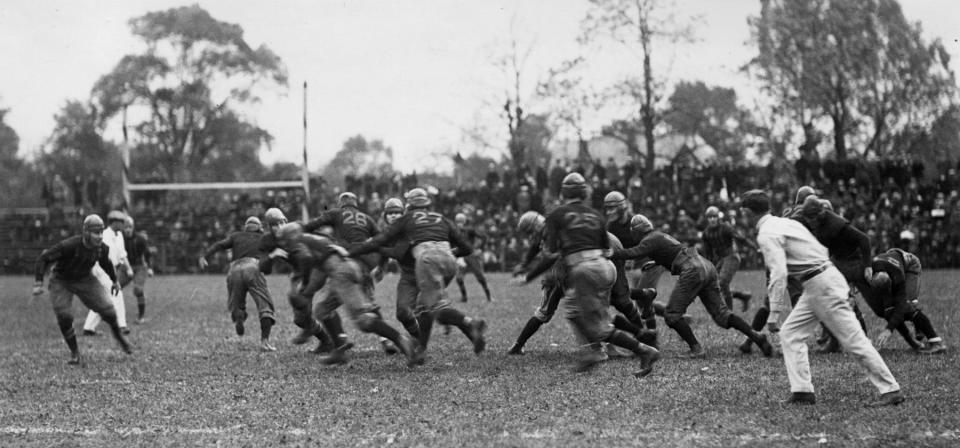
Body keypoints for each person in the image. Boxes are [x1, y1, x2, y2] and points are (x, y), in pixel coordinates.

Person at [739, 189, 904, 407]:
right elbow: (819, 249)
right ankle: (802, 392)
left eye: (743, 213)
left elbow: (778, 273)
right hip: (819, 280)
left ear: (748, 213)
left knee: (853, 340)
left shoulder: (767, 233)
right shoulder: (785, 223)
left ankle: (891, 389)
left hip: (822, 284)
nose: (742, 216)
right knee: (790, 334)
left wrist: (774, 312)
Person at [349, 188, 486, 363]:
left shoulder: (407, 223)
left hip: (425, 268)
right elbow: (466, 247)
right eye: (390, 213)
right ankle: (420, 345)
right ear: (384, 215)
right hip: (411, 274)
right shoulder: (433, 219)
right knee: (406, 312)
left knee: (434, 308)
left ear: (406, 208)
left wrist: (357, 250)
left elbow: (396, 251)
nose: (394, 215)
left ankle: (461, 329)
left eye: (397, 212)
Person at [543, 173, 660, 376]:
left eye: (615, 206)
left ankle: (642, 346)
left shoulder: (560, 215)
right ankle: (635, 339)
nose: (611, 210)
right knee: (583, 312)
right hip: (607, 267)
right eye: (609, 207)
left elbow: (553, 249)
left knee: (609, 313)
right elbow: (606, 248)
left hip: (596, 269)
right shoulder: (597, 216)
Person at [610, 214, 773, 358]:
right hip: (706, 266)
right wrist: (655, 262)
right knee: (722, 315)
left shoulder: (648, 240)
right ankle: (756, 336)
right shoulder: (659, 236)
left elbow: (633, 253)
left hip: (692, 269)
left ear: (636, 231)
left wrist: (611, 253)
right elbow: (672, 252)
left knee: (672, 315)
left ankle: (696, 348)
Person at [273, 223, 419, 367]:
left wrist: (305, 284)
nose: (284, 245)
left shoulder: (298, 241)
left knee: (362, 319)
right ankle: (339, 350)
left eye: (284, 241)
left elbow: (306, 259)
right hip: (347, 269)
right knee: (322, 310)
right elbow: (325, 259)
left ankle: (400, 339)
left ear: (290, 236)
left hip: (342, 274)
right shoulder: (314, 238)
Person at [304, 192, 397, 355]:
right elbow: (382, 241)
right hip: (365, 264)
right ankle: (387, 340)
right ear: (356, 204)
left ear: (341, 204)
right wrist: (382, 266)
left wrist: (299, 231)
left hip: (346, 263)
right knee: (369, 302)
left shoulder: (336, 213)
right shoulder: (367, 218)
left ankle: (340, 340)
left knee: (324, 306)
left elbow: (312, 224)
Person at [33, 215, 132, 365]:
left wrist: (115, 280)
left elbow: (106, 262)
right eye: (95, 232)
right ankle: (75, 353)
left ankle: (120, 337)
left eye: (100, 232)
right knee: (64, 316)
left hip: (85, 279)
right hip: (61, 280)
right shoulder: (69, 245)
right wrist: (38, 282)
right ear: (86, 232)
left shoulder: (101, 248)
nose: (99, 236)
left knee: (109, 310)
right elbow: (44, 258)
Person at [259, 208, 337, 353]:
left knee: (301, 299)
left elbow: (321, 239)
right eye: (274, 224)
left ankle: (336, 340)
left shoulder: (296, 228)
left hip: (316, 267)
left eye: (281, 222)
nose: (279, 227)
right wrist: (271, 256)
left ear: (286, 221)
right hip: (299, 271)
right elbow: (262, 267)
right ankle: (326, 341)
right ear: (269, 227)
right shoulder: (267, 240)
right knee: (300, 320)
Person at [199, 216, 277, 352]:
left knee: (236, 303)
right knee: (265, 306)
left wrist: (205, 256)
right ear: (259, 227)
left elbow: (219, 245)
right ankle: (265, 342)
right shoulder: (263, 237)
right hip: (253, 267)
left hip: (234, 269)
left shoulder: (236, 236)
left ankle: (239, 316)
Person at [865, 248, 947, 354]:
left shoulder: (898, 276)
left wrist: (888, 329)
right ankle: (916, 339)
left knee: (908, 307)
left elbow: (901, 307)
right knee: (889, 311)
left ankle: (937, 343)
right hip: (893, 259)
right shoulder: (869, 271)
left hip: (910, 265)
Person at [83, 210, 132, 336]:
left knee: (103, 299)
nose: (123, 224)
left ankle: (89, 328)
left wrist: (128, 268)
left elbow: (121, 254)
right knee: (116, 294)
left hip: (112, 268)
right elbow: (106, 257)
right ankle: (122, 325)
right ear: (114, 223)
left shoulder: (119, 236)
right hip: (101, 268)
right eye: (121, 222)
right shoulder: (104, 235)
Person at [700, 206, 754, 312]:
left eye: (714, 216)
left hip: (732, 256)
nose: (712, 219)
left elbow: (740, 238)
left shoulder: (725, 227)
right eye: (710, 217)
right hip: (721, 259)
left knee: (722, 283)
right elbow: (709, 253)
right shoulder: (706, 233)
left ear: (718, 217)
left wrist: (754, 247)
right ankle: (743, 296)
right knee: (714, 286)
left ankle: (729, 312)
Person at [452, 213, 494, 303]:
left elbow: (484, 237)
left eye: (461, 221)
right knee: (459, 278)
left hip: (471, 256)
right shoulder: (454, 231)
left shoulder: (469, 230)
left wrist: (480, 249)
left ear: (464, 221)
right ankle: (464, 298)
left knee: (480, 277)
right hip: (461, 257)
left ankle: (489, 297)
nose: (459, 223)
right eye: (458, 221)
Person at [121, 215, 153, 324]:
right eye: (125, 227)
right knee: (114, 287)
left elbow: (147, 254)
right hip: (126, 267)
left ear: (133, 227)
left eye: (129, 227)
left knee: (138, 290)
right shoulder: (120, 238)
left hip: (140, 267)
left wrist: (150, 268)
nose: (128, 230)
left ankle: (141, 316)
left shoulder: (140, 239)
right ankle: (114, 316)